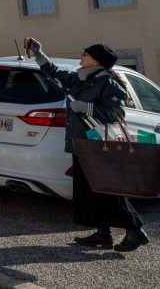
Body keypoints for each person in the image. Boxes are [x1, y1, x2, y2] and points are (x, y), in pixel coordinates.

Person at [27, 38, 149, 252]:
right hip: (82, 143)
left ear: (96, 61)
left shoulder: (107, 83)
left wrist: (88, 107)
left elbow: (116, 113)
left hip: (98, 146)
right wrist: (39, 54)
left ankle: (135, 231)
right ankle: (103, 233)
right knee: (90, 191)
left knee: (107, 192)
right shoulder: (80, 78)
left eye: (85, 54)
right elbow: (54, 73)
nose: (81, 56)